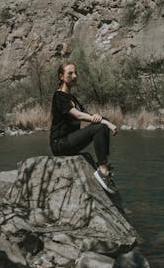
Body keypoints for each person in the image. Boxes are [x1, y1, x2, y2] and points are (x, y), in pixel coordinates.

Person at [49, 61, 118, 193]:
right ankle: (103, 171)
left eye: (75, 73)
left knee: (102, 122)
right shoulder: (59, 96)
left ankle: (104, 165)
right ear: (61, 76)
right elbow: (79, 116)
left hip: (70, 141)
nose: (74, 76)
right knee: (101, 126)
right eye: (70, 73)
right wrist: (106, 124)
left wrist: (101, 119)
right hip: (60, 144)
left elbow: (85, 114)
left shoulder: (71, 97)